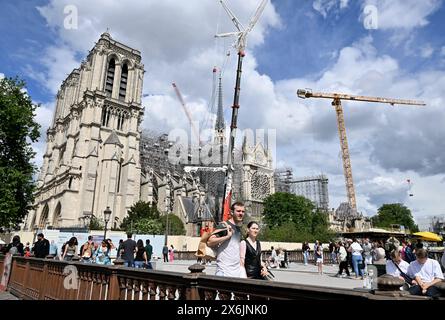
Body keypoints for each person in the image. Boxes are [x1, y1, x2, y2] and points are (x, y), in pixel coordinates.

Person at [207, 202, 245, 277]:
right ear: (231, 212)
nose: (241, 213)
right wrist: (227, 236)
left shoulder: (238, 229)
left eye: (243, 211)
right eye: (238, 211)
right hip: (224, 270)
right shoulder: (224, 226)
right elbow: (210, 241)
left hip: (236, 271)